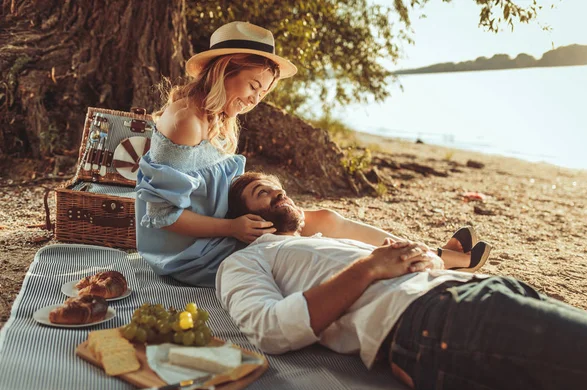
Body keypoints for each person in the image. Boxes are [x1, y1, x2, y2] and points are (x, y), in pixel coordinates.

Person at [135, 21, 483, 286]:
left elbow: (208, 185)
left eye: (264, 92)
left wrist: (257, 199)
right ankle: (431, 262)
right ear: (226, 70)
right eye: (254, 86)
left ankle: (432, 253)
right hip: (189, 251)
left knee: (325, 218)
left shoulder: (218, 115)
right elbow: (165, 217)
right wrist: (233, 226)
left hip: (222, 224)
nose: (257, 99)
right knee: (304, 240)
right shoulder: (187, 122)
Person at [217, 171, 587, 390]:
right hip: (440, 320)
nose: (279, 193)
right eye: (262, 193)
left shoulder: (314, 243)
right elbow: (270, 328)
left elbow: (384, 264)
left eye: (277, 187)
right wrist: (368, 268)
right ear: (244, 218)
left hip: (470, 294)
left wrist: (427, 259)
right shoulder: (245, 261)